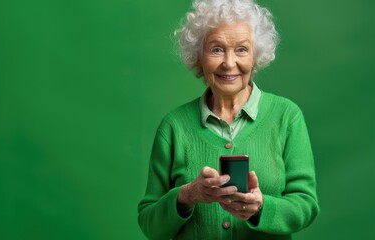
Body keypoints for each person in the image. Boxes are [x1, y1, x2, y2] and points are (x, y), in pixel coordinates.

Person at [137, 0, 320, 239]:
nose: (229, 63)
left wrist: (261, 207)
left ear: (256, 55)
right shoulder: (174, 126)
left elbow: (306, 206)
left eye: (242, 49)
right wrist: (188, 195)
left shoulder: (286, 116)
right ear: (199, 56)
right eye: (216, 49)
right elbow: (150, 225)